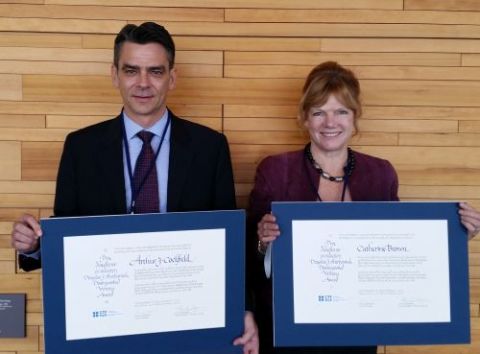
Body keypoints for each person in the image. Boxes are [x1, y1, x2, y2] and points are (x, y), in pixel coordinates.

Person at [11, 22, 258, 354]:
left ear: (172, 77)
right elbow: (69, 239)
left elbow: (230, 243)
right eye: (132, 70)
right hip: (108, 325)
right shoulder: (80, 148)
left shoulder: (210, 147)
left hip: (186, 321)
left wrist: (243, 310)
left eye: (155, 71)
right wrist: (34, 247)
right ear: (115, 75)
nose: (143, 83)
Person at [247, 61, 480, 354]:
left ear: (356, 117)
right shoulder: (276, 170)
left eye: (341, 111)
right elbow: (247, 256)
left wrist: (456, 238)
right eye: (319, 112)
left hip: (359, 329)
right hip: (287, 328)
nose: (330, 123)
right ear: (305, 118)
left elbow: (402, 251)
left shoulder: (380, 174)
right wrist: (262, 241)